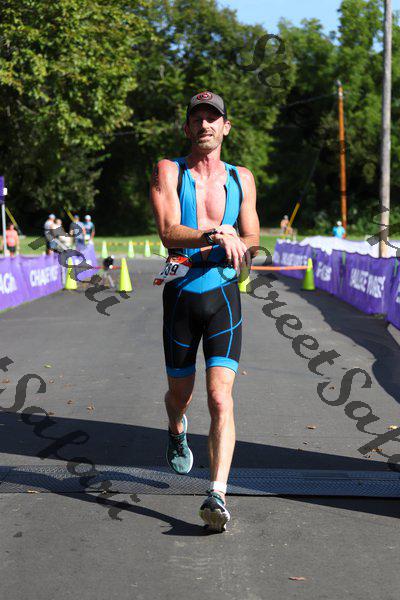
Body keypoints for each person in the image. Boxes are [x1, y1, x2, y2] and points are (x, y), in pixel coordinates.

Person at [149, 90, 259, 532]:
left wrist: (239, 243)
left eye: (213, 118)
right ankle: (176, 426)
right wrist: (215, 235)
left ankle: (216, 492)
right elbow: (168, 232)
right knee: (182, 395)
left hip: (223, 296)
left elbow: (253, 239)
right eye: (197, 118)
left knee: (220, 397)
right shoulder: (168, 170)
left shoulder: (242, 177)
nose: (205, 125)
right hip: (180, 292)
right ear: (187, 127)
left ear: (226, 127)